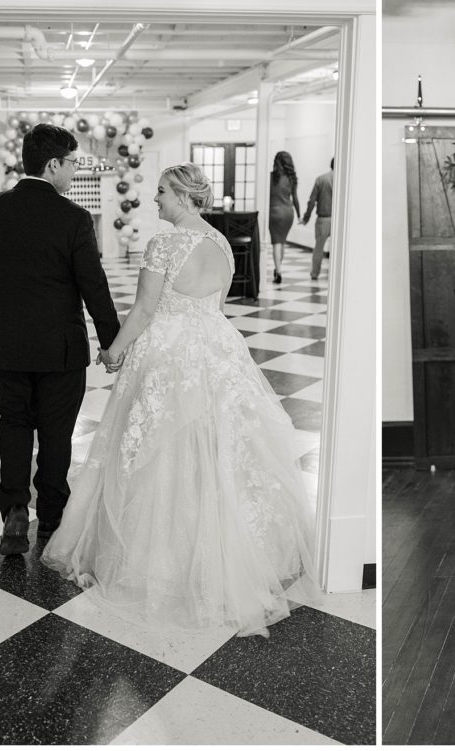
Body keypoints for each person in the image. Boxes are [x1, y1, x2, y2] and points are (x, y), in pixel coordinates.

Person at [41, 163, 318, 636]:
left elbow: (145, 309)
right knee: (216, 450)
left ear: (187, 197)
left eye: (163, 192)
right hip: (216, 350)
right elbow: (217, 307)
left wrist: (114, 351)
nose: (157, 200)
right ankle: (224, 554)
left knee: (159, 451)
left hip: (169, 354)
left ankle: (162, 560)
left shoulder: (164, 244)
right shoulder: (223, 244)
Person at [0, 123, 120, 557]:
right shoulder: (73, 217)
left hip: (8, 345)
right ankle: (51, 516)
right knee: (56, 434)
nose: (74, 171)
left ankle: (15, 508)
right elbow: (94, 284)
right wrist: (111, 341)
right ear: (53, 164)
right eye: (72, 162)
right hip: (61, 349)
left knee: (14, 425)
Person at [268, 151, 300, 284]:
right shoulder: (292, 178)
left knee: (276, 243)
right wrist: (299, 215)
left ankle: (278, 271)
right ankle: (278, 268)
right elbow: (295, 199)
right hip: (288, 213)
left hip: (274, 213)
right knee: (282, 243)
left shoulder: (272, 177)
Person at [300, 157, 333, 281]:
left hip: (323, 219)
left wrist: (306, 218)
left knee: (319, 248)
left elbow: (312, 201)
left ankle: (315, 273)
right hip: (340, 221)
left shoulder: (321, 179)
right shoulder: (344, 180)